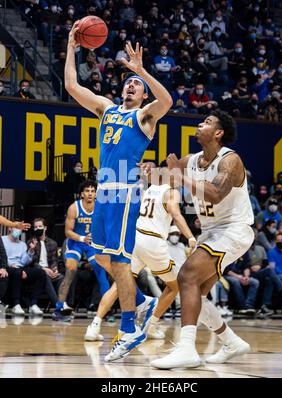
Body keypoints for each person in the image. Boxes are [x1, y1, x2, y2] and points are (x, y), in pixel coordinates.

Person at [65, 21, 172, 362]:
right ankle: (142, 302)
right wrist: (71, 45)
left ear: (143, 96)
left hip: (124, 190)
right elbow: (71, 85)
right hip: (105, 188)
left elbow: (167, 100)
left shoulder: (144, 117)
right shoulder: (106, 109)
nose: (130, 87)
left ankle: (129, 328)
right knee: (99, 256)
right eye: (128, 82)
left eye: (137, 85)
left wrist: (142, 70)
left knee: (121, 262)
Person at [149, 110, 255, 369]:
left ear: (218, 133)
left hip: (234, 229)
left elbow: (215, 194)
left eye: (207, 122)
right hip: (211, 232)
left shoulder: (230, 160)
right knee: (197, 292)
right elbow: (164, 176)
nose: (200, 124)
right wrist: (147, 172)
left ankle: (186, 349)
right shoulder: (192, 160)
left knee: (186, 276)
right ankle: (231, 342)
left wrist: (180, 175)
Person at [85, 163, 196, 341]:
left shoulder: (149, 189)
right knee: (176, 285)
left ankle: (94, 326)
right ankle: (151, 324)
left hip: (135, 240)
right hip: (153, 242)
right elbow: (176, 214)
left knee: (120, 284)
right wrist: (190, 237)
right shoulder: (171, 191)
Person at [52, 181, 110, 321]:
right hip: (76, 242)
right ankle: (59, 308)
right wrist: (82, 238)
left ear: (96, 193)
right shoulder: (74, 207)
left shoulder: (100, 207)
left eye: (92, 191)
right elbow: (67, 232)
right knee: (71, 270)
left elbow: (105, 228)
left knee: (100, 270)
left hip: (91, 243)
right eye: (87, 191)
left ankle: (106, 311)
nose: (90, 193)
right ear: (82, 194)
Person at [2, 226, 46, 315]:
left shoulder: (22, 244)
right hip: (6, 266)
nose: (18, 230)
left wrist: (30, 250)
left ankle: (33, 304)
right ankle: (16, 304)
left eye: (20, 229)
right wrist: (11, 264)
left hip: (20, 267)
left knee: (41, 273)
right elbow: (2, 256)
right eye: (16, 227)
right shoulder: (2, 240)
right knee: (17, 272)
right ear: (10, 228)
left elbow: (24, 261)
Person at [29, 218, 63, 308]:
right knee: (44, 276)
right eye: (36, 227)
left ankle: (63, 303)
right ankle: (59, 307)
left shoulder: (53, 243)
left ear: (45, 228)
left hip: (49, 270)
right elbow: (31, 262)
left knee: (61, 277)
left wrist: (54, 269)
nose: (38, 229)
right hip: (37, 272)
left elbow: (54, 260)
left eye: (40, 226)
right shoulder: (31, 242)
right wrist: (44, 269)